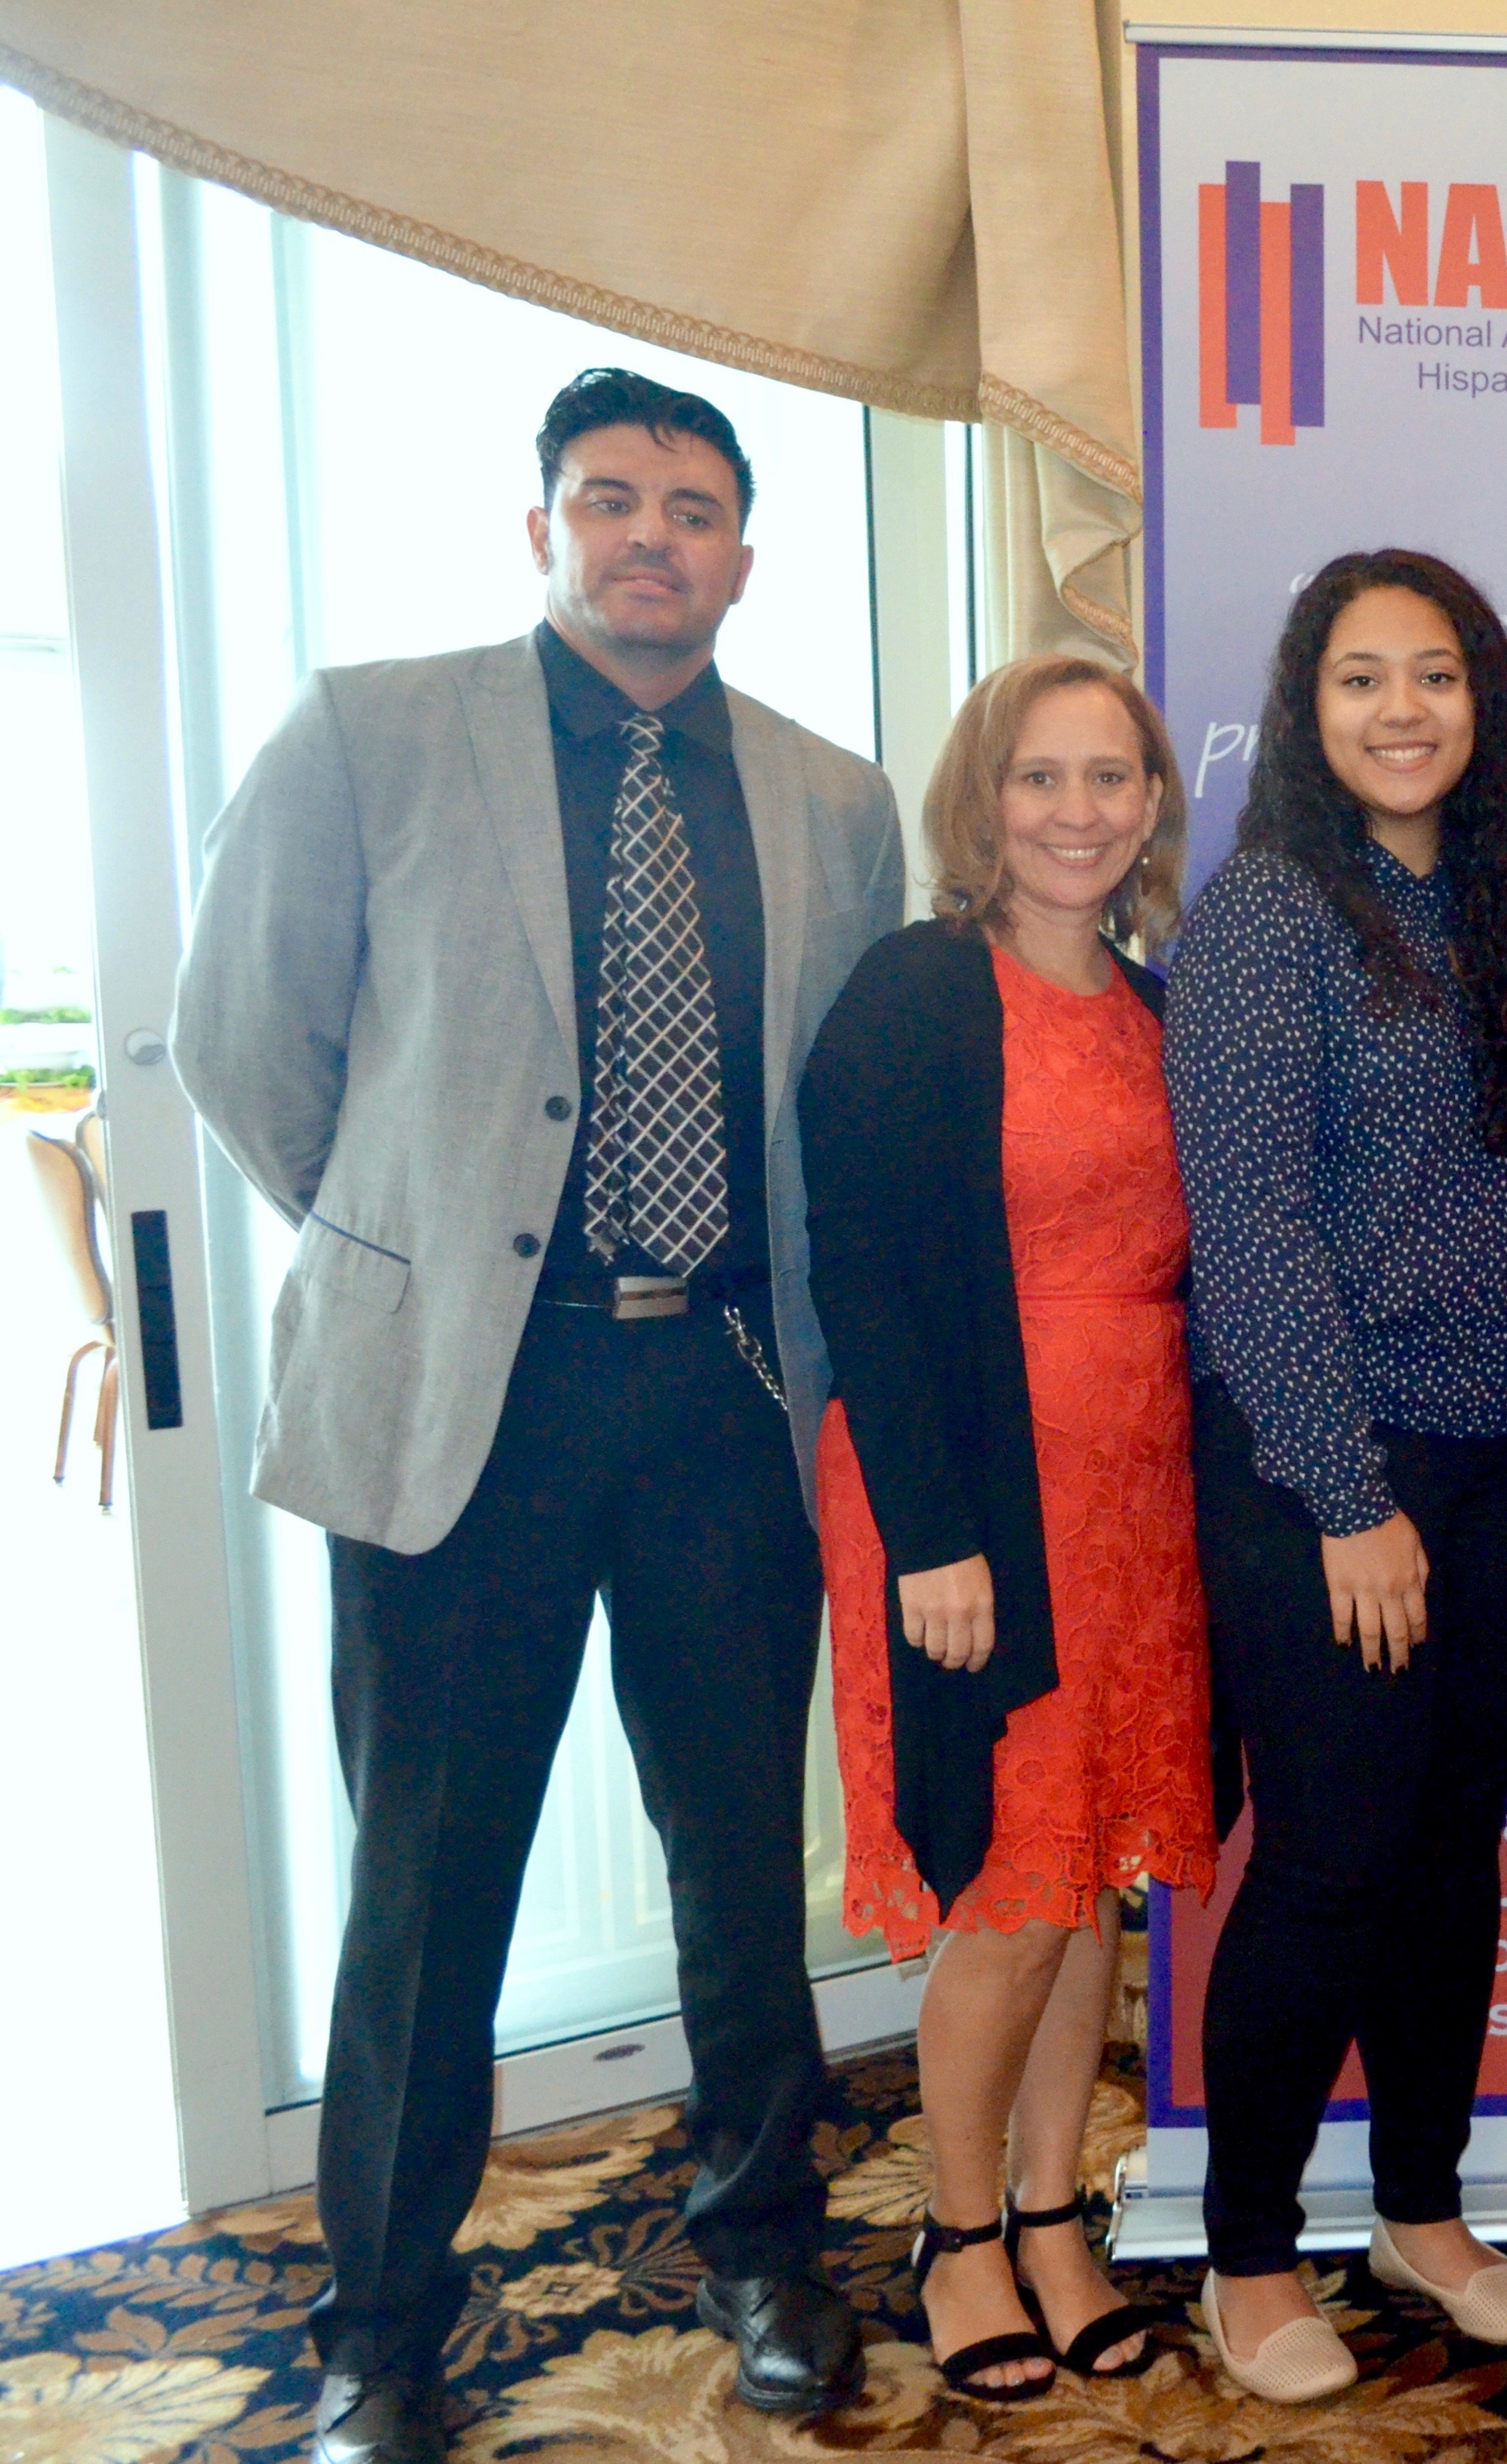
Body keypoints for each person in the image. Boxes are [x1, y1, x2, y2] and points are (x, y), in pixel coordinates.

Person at [171, 368, 903, 2464]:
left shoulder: (830, 799)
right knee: (429, 1887)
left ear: (743, 556)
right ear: (544, 533)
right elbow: (246, 1041)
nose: (650, 536)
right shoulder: (368, 731)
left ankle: (765, 2255)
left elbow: (824, 1116)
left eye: (690, 508)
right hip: (462, 1401)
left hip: (724, 1393)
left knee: (739, 1869)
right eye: (609, 501)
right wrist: (417, 1250)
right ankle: (380, 2330)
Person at [1164, 550, 1507, 2401]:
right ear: (1306, 708)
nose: (1401, 710)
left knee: (1447, 1854)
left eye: (1434, 676)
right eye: (1360, 679)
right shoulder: (1269, 911)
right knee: (1333, 1856)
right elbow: (1252, 1233)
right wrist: (1349, 1497)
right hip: (1328, 1463)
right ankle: (1248, 2257)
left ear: (1483, 703)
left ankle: (1421, 2208)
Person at [800, 655, 1214, 2400]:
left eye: (1108, 778)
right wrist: (935, 1537)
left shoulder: (1154, 1003)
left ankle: (1058, 2211)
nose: (1075, 812)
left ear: (1149, 805)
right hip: (969, 1489)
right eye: (1039, 779)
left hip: (1139, 1486)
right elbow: (868, 1286)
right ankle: (961, 2235)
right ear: (982, 802)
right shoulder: (913, 990)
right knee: (1006, 1880)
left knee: (1097, 1870)